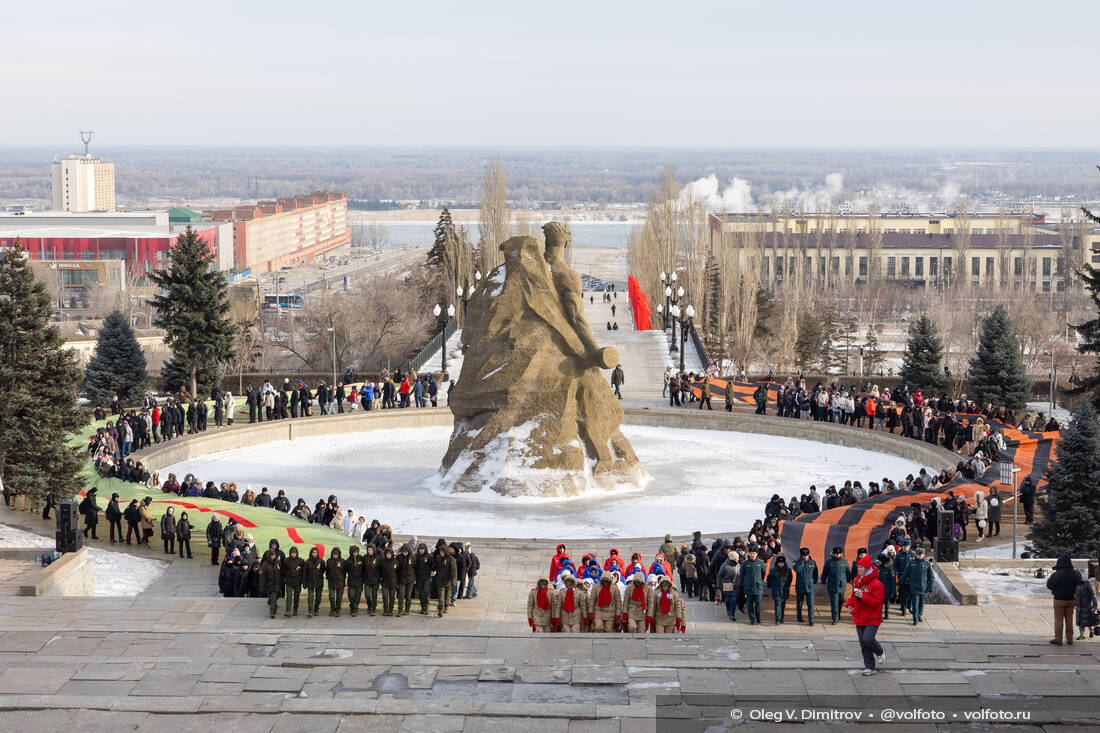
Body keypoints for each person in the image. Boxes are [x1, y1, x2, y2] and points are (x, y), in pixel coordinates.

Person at [846, 554, 886, 676]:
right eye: (858, 567)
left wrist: (864, 597)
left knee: (868, 639)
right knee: (863, 643)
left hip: (872, 617)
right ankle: (869, 667)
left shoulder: (876, 584)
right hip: (859, 615)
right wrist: (849, 605)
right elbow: (853, 596)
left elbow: (878, 602)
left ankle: (880, 651)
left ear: (868, 569)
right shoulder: (856, 581)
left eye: (861, 567)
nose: (858, 569)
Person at [1047, 554, 1082, 646]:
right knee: (1069, 619)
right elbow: (1080, 581)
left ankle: (1058, 639)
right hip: (1071, 600)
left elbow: (1049, 585)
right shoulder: (1075, 574)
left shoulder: (1056, 574)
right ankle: (1069, 639)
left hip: (1059, 600)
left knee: (1058, 620)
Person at [821, 546, 850, 624]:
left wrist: (849, 580)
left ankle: (838, 614)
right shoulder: (829, 562)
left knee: (840, 601)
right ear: (833, 554)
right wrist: (823, 580)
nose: (837, 555)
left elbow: (848, 572)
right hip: (832, 585)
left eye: (839, 554)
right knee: (834, 602)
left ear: (841, 554)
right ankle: (835, 618)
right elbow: (825, 573)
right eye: (836, 554)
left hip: (842, 586)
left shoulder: (845, 562)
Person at [906, 547, 934, 625]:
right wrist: (900, 582)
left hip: (923, 587)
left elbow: (931, 577)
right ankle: (915, 618)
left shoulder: (927, 565)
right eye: (917, 554)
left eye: (920, 555)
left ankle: (919, 615)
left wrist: (931, 587)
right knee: (915, 604)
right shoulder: (912, 563)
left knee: (921, 603)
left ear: (923, 555)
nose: (918, 556)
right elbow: (906, 573)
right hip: (914, 587)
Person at [740, 547, 766, 625]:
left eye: (754, 553)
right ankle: (752, 618)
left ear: (756, 554)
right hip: (748, 587)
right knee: (749, 605)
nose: (752, 555)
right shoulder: (744, 563)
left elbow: (763, 574)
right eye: (751, 553)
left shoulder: (761, 563)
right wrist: (746, 581)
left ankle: (758, 617)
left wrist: (759, 581)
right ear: (749, 554)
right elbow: (742, 574)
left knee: (758, 604)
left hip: (758, 587)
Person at [793, 548, 819, 625]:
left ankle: (811, 620)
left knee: (810, 604)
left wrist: (814, 581)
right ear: (801, 556)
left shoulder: (812, 562)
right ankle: (799, 617)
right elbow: (797, 570)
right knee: (799, 603)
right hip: (800, 587)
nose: (805, 557)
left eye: (806, 555)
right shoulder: (796, 562)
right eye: (803, 556)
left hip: (809, 587)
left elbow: (815, 572)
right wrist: (801, 562)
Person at [766, 555, 792, 624]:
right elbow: (769, 579)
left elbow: (790, 579)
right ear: (777, 563)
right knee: (777, 604)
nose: (781, 564)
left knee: (782, 604)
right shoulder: (773, 570)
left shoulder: (788, 570)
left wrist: (787, 586)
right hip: (776, 590)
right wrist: (769, 585)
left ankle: (781, 617)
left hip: (784, 590)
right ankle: (777, 618)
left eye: (782, 563)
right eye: (779, 563)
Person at [303, 547, 326, 618]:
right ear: (311, 553)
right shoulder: (307, 561)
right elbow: (305, 573)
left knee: (318, 598)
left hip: (319, 582)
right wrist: (304, 583)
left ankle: (316, 609)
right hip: (310, 582)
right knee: (310, 597)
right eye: (313, 552)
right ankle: (310, 610)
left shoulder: (321, 561)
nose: (314, 554)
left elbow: (323, 570)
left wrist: (318, 575)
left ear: (317, 553)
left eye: (315, 552)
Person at [282, 546, 304, 617]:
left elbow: (304, 571)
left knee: (296, 596)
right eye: (292, 553)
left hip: (297, 582)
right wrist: (286, 576)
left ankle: (295, 610)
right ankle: (288, 611)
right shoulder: (286, 560)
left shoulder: (301, 561)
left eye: (294, 553)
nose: (293, 554)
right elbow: (283, 570)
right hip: (289, 581)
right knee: (289, 596)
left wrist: (302, 580)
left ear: (297, 553)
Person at [1075, 572, 1097, 641]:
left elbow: (1093, 595)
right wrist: (1075, 603)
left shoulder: (1089, 584)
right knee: (1081, 622)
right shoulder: (1077, 584)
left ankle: (1091, 631)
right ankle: (1082, 635)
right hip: (1079, 606)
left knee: (1089, 621)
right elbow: (1076, 595)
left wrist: (1095, 605)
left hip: (1087, 606)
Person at [412, 543, 433, 615]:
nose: (421, 551)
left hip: (427, 577)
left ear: (425, 549)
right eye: (420, 549)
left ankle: (426, 608)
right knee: (421, 593)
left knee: (426, 592)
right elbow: (414, 566)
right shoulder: (416, 556)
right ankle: (422, 607)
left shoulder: (429, 556)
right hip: (419, 578)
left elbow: (432, 566)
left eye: (423, 549)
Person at [326, 547, 346, 617]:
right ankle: (332, 608)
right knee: (331, 596)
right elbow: (327, 571)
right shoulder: (328, 561)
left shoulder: (342, 561)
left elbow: (344, 572)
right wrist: (328, 578)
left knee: (339, 597)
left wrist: (343, 581)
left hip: (340, 582)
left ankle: (338, 610)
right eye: (334, 554)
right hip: (331, 581)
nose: (335, 556)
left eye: (336, 554)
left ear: (339, 554)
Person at [397, 544, 415, 615]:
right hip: (401, 579)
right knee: (401, 595)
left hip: (410, 579)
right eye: (403, 552)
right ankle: (400, 609)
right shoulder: (399, 557)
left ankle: (407, 609)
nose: (404, 553)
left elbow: (415, 567)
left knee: (408, 595)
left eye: (406, 552)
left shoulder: (412, 557)